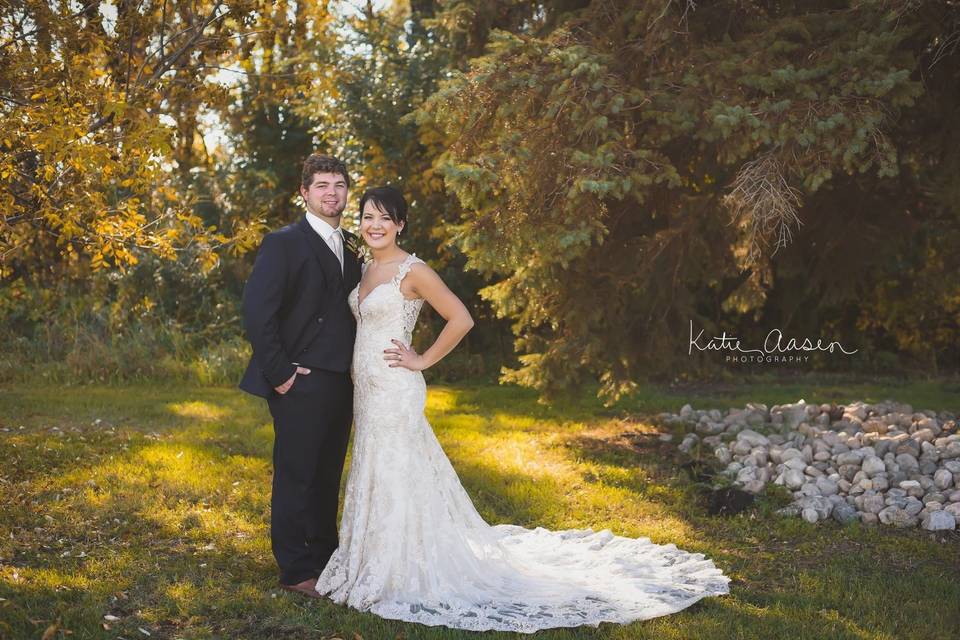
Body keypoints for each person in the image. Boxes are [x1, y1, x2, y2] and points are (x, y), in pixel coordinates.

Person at [314, 185, 731, 633]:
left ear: (400, 224)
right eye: (368, 217)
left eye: (384, 218)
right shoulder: (364, 269)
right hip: (368, 391)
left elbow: (461, 318)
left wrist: (421, 359)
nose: (374, 225)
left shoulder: (413, 270)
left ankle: (398, 572)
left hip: (396, 389)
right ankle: (374, 560)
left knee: (396, 471)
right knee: (375, 471)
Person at [239, 154, 363, 598]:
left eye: (340, 185)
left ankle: (326, 559)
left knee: (328, 474)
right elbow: (259, 311)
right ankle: (295, 570)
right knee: (297, 475)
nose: (333, 192)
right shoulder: (283, 242)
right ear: (304, 193)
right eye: (323, 185)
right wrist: (281, 374)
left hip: (342, 380)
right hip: (299, 378)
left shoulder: (353, 245)